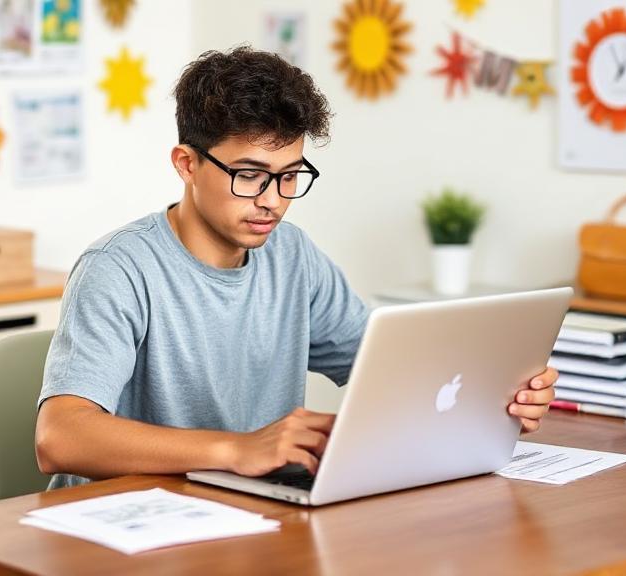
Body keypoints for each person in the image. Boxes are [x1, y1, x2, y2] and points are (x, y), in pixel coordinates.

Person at [35, 46, 558, 489]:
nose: (273, 202)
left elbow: (392, 370)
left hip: (249, 515)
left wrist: (495, 398)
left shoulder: (292, 256)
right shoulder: (118, 270)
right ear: (187, 164)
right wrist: (236, 450)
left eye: (290, 176)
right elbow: (60, 438)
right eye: (250, 175)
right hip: (128, 529)